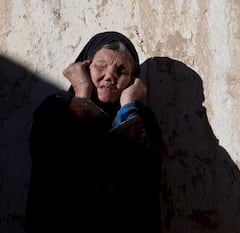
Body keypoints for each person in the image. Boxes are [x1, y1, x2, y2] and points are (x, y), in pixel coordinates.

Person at [25, 31, 166, 233]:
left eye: (122, 71)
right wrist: (82, 94)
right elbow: (58, 165)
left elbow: (145, 180)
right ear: (84, 66)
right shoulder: (55, 109)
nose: (110, 75)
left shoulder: (141, 120)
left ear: (132, 81)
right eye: (100, 66)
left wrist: (127, 106)